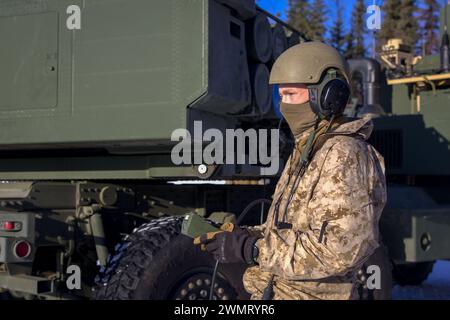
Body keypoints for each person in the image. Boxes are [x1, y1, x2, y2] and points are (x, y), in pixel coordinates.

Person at [195, 42, 387, 300]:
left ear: (328, 97)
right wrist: (242, 236)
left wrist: (252, 249)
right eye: (280, 96)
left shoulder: (344, 153)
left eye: (291, 94)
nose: (284, 106)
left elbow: (341, 249)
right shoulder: (308, 149)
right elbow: (290, 230)